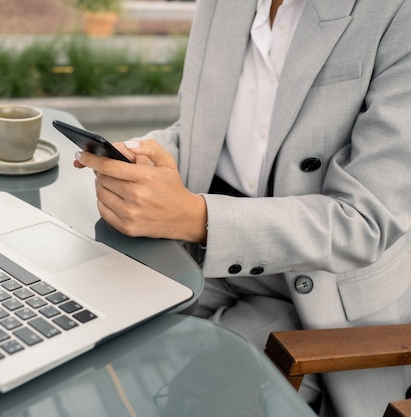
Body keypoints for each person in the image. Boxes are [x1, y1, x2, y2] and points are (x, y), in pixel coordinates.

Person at [73, 0, 411, 416]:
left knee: (188, 394)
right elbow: (197, 131)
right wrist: (141, 159)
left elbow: (363, 222)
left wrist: (196, 217)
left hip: (317, 295)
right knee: (79, 319)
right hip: (200, 247)